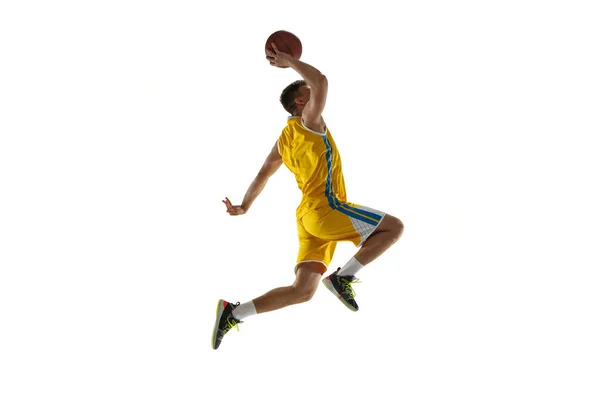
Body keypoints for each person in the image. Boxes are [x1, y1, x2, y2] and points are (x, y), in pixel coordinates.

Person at [211, 43, 404, 350]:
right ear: (302, 101)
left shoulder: (284, 139)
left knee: (302, 291)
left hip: (307, 218)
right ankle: (343, 278)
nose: (316, 95)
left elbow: (264, 172)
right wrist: (289, 61)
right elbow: (322, 81)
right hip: (327, 210)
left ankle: (234, 312)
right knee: (394, 227)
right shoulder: (309, 123)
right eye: (308, 93)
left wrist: (245, 205)